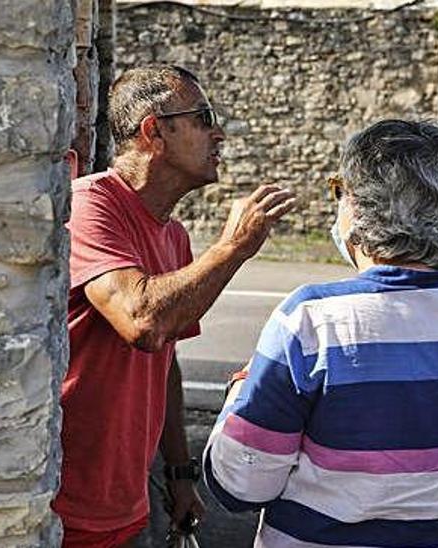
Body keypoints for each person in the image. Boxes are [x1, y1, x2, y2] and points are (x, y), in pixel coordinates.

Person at [204, 120, 438, 547]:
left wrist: (241, 388)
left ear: (357, 208)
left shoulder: (313, 321)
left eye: (338, 191)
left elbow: (241, 483)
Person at [52, 64, 298, 547]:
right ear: (153, 131)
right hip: (67, 507)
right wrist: (231, 248)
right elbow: (142, 321)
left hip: (131, 502)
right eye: (203, 117)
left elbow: (164, 361)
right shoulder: (90, 205)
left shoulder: (173, 234)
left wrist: (180, 474)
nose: (219, 132)